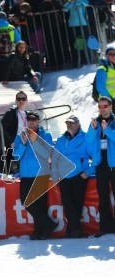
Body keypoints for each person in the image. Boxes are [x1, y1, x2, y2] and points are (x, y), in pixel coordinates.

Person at [12, 111, 57, 240]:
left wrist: (34, 140)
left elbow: (46, 153)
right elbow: (16, 156)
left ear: (38, 121)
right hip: (26, 174)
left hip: (41, 173)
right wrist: (24, 144)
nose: (31, 121)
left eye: (34, 119)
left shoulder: (46, 135)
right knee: (26, 201)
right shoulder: (20, 136)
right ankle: (48, 225)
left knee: (41, 204)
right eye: (29, 119)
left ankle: (41, 232)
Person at [51, 115, 91, 238]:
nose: (69, 125)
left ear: (78, 124)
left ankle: (72, 230)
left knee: (77, 203)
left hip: (79, 174)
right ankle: (76, 229)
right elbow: (55, 158)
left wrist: (88, 172)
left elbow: (95, 156)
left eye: (72, 123)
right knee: (67, 203)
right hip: (64, 175)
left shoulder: (86, 137)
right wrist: (54, 175)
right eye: (68, 123)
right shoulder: (61, 139)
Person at [86, 96, 115, 237]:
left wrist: (107, 130)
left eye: (105, 106)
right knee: (102, 197)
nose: (102, 109)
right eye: (100, 106)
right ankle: (105, 227)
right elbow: (89, 142)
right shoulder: (95, 122)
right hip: (100, 163)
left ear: (110, 106)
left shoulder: (114, 121)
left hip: (114, 164)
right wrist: (92, 130)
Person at [0, 91, 30, 177]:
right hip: (14, 145)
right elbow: (1, 129)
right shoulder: (10, 114)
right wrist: (11, 141)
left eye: (23, 99)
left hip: (26, 144)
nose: (21, 101)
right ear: (16, 101)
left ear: (27, 101)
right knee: (16, 169)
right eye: (19, 99)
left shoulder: (29, 115)